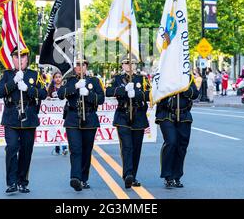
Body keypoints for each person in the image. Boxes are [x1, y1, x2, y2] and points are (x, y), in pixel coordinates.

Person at [0, 47, 47, 194]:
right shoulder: (6, 75)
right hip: (11, 116)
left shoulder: (34, 74)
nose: (20, 59)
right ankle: (11, 182)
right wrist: (14, 81)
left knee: (26, 151)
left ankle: (22, 181)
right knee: (11, 148)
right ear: (13, 59)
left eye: (23, 57)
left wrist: (28, 89)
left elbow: (43, 93)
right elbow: (0, 92)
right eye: (17, 57)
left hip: (28, 116)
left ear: (27, 59)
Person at [57, 58, 105, 191]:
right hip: (72, 118)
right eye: (77, 64)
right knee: (75, 149)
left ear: (86, 66)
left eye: (82, 64)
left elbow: (101, 99)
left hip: (89, 118)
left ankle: (84, 178)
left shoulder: (94, 81)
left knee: (86, 150)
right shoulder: (69, 80)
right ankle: (75, 178)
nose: (80, 66)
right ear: (74, 67)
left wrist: (89, 94)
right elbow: (60, 94)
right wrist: (75, 87)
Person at [106, 54, 149, 189]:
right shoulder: (117, 79)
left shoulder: (142, 79)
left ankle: (133, 176)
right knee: (127, 147)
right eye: (126, 63)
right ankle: (128, 174)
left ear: (136, 65)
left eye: (132, 63)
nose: (129, 65)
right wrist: (123, 90)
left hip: (139, 115)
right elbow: (108, 91)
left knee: (136, 148)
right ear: (122, 65)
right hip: (122, 115)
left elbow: (150, 94)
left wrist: (136, 94)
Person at [156, 76, 199, 188]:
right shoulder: (164, 72)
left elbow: (195, 94)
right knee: (171, 142)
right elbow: (156, 92)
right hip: (167, 114)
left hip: (184, 114)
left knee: (181, 146)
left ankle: (176, 177)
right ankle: (168, 176)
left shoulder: (187, 76)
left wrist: (184, 88)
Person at [47, 71, 68, 156]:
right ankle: (57, 146)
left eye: (59, 77)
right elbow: (47, 97)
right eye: (56, 77)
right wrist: (48, 98)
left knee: (63, 129)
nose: (58, 78)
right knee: (56, 129)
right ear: (53, 78)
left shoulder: (65, 87)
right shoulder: (51, 88)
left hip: (63, 112)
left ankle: (64, 147)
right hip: (54, 113)